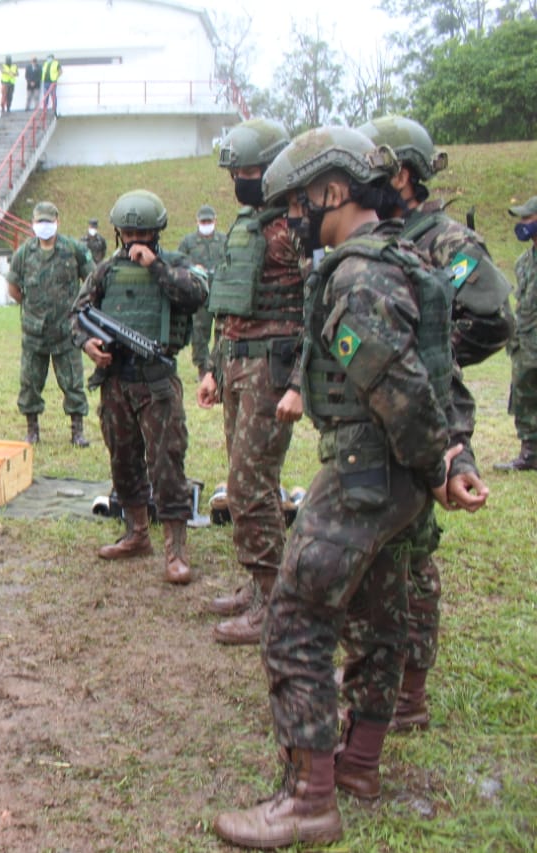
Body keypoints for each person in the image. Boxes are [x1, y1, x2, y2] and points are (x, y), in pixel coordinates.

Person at [212, 127, 478, 849]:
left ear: (334, 192)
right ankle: (358, 765)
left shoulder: (356, 277)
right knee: (379, 616)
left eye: (301, 201)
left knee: (296, 620)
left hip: (366, 473)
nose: (293, 216)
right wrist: (451, 459)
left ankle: (309, 798)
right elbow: (443, 375)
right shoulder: (404, 260)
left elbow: (401, 384)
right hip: (399, 484)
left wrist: (436, 462)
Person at [358, 115, 507, 730]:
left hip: (428, 408)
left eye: (374, 171)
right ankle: (379, 675)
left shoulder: (445, 240)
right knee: (381, 543)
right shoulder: (383, 239)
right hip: (383, 408)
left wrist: (431, 355)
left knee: (415, 551)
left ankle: (409, 695)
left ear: (401, 175)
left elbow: (494, 316)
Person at [196, 118, 305, 647]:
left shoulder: (294, 230)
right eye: (234, 172)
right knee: (246, 484)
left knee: (249, 486)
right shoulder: (248, 225)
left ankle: (274, 602)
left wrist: (299, 382)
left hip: (271, 370)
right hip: (238, 365)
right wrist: (216, 369)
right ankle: (260, 586)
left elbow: (321, 306)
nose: (239, 180)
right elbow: (231, 308)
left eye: (247, 171)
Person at [71, 189, 207, 585]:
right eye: (128, 234)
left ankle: (175, 550)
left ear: (156, 232)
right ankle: (136, 534)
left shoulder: (177, 265)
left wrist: (156, 267)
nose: (134, 241)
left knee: (166, 463)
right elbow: (77, 313)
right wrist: (88, 343)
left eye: (142, 234)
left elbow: (197, 295)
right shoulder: (105, 271)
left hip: (157, 380)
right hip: (116, 379)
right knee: (123, 459)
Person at [7, 201, 93, 446]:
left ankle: (77, 431)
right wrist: (32, 307)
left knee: (73, 382)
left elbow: (92, 279)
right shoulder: (24, 253)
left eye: (48, 221)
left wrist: (80, 309)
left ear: (57, 222)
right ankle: (32, 430)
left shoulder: (73, 249)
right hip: (34, 332)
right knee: (30, 383)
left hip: (66, 331)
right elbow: (13, 287)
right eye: (40, 222)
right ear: (33, 224)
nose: (44, 226)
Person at [498, 195, 537, 470]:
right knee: (524, 397)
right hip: (525, 343)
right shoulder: (523, 261)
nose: (522, 223)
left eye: (527, 218)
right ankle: (530, 453)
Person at [177, 204, 227, 378]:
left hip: (220, 293)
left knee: (223, 331)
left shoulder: (224, 240)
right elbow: (179, 263)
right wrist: (192, 268)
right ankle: (203, 368)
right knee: (199, 333)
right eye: (203, 222)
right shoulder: (188, 242)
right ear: (197, 221)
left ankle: (220, 366)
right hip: (200, 294)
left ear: (215, 221)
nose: (206, 224)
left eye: (209, 221)